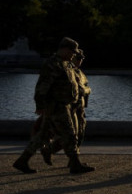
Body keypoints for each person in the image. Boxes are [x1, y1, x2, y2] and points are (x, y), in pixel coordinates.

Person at [13, 37, 94, 174]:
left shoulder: (65, 64)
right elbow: (42, 86)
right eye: (72, 52)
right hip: (57, 106)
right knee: (69, 134)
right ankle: (75, 164)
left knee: (42, 136)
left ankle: (22, 161)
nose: (73, 55)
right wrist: (40, 105)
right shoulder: (53, 64)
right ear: (64, 49)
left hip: (62, 105)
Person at [41, 47, 91, 164]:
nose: (80, 61)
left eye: (81, 59)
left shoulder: (79, 72)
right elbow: (79, 90)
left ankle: (72, 160)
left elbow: (84, 88)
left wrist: (86, 91)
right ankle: (52, 151)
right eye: (78, 58)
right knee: (70, 136)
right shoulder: (68, 71)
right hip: (70, 108)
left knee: (78, 135)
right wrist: (87, 90)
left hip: (79, 108)